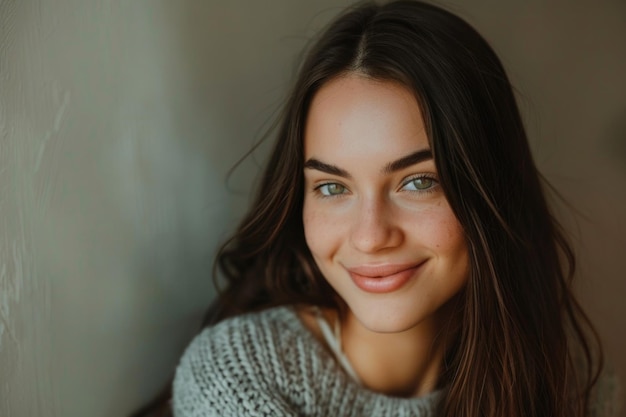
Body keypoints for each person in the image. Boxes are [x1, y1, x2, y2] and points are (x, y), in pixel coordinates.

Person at [137, 1, 621, 416]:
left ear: (490, 189)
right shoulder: (239, 371)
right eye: (331, 187)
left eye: (418, 182)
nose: (370, 236)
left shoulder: (576, 392)